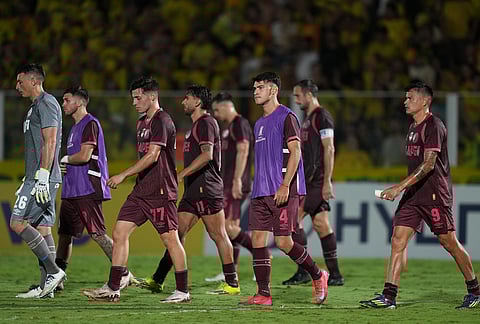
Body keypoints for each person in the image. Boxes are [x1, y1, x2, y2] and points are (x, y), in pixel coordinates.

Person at [360, 81, 480, 309]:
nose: (406, 101)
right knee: (397, 240)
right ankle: (389, 296)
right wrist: (406, 189)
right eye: (405, 98)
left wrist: (399, 187)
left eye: (410, 97)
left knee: (449, 243)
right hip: (414, 196)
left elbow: (428, 165)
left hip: (434, 194)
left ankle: (475, 290)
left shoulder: (434, 125)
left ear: (425, 101)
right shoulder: (413, 126)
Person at [83, 77, 190, 303]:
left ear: (152, 96)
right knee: (119, 232)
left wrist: (123, 175)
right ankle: (113, 287)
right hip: (142, 190)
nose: (134, 102)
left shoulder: (163, 120)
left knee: (171, 240)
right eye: (133, 98)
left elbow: (153, 156)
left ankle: (183, 290)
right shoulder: (141, 122)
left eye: (138, 97)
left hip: (161, 191)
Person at [137, 85, 240, 295]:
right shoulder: (196, 125)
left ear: (198, 102)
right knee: (176, 233)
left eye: (187, 98)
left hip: (207, 187)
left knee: (218, 235)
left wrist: (180, 174)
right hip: (194, 189)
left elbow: (207, 155)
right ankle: (158, 279)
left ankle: (232, 283)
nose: (183, 102)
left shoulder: (206, 123)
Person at [240, 72, 328, 306]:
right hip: (261, 191)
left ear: (273, 90)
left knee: (283, 242)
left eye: (260, 87)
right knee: (258, 240)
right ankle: (263, 294)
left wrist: (285, 185)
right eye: (254, 87)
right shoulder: (258, 123)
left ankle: (319, 275)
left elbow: (296, 152)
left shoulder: (287, 117)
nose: (255, 91)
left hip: (283, 190)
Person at [55, 86, 132, 290]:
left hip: (87, 187)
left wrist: (66, 159)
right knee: (64, 235)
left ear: (80, 102)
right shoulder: (75, 127)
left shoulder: (90, 124)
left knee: (97, 234)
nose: (64, 104)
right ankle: (57, 277)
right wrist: (66, 166)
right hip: (72, 188)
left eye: (66, 100)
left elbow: (85, 156)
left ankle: (123, 273)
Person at [282, 79, 344, 286]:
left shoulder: (322, 117)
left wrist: (327, 181)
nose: (296, 99)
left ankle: (305, 271)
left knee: (294, 220)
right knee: (321, 224)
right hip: (310, 180)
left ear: (309, 95)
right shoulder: (308, 119)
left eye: (298, 95)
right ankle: (335, 275)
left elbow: (329, 148)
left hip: (315, 181)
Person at [12, 63, 66, 298]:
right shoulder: (35, 107)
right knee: (43, 228)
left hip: (43, 177)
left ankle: (54, 272)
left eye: (20, 81)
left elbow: (50, 141)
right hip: (36, 176)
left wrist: (42, 175)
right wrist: (29, 178)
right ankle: (47, 286)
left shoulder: (47, 103)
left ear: (34, 81)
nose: (17, 86)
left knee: (18, 222)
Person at [205, 91, 254, 282]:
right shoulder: (228, 127)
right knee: (228, 228)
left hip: (235, 183)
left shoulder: (240, 124)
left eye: (217, 109)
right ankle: (230, 272)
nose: (216, 114)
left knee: (229, 226)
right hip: (226, 183)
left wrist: (237, 180)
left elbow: (243, 151)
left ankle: (261, 254)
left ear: (227, 105)